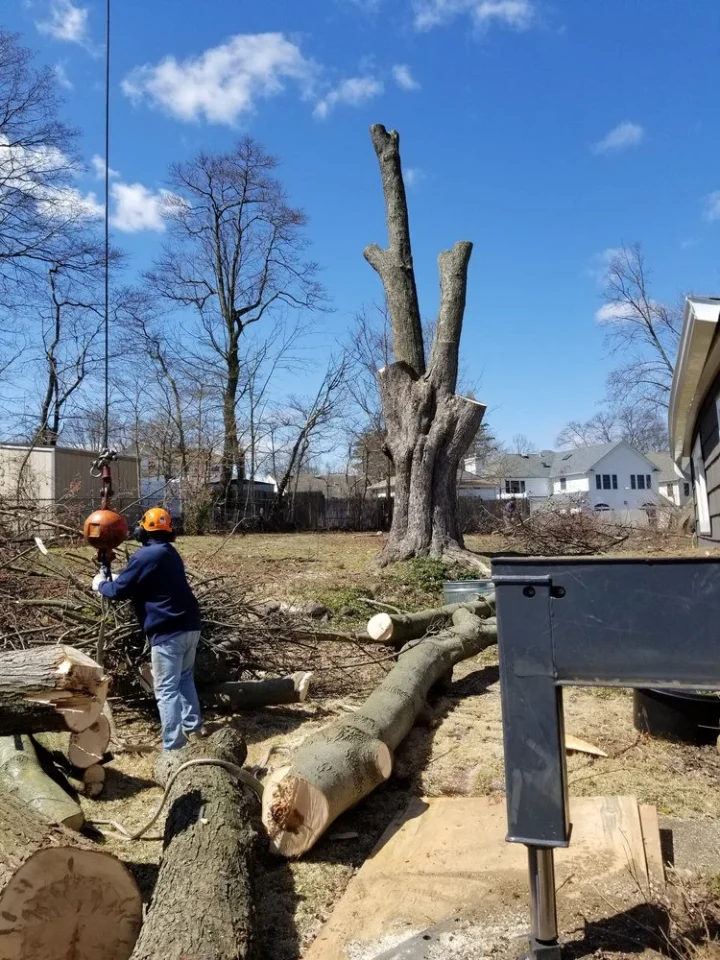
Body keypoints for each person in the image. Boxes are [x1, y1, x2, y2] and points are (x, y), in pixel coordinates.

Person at [92, 507, 205, 750]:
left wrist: (100, 584)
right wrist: (110, 573)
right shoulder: (168, 553)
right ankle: (194, 728)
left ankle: (173, 746)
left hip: (168, 631)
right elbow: (138, 580)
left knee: (165, 689)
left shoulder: (146, 556)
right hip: (190, 626)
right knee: (185, 679)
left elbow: (119, 591)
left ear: (144, 530)